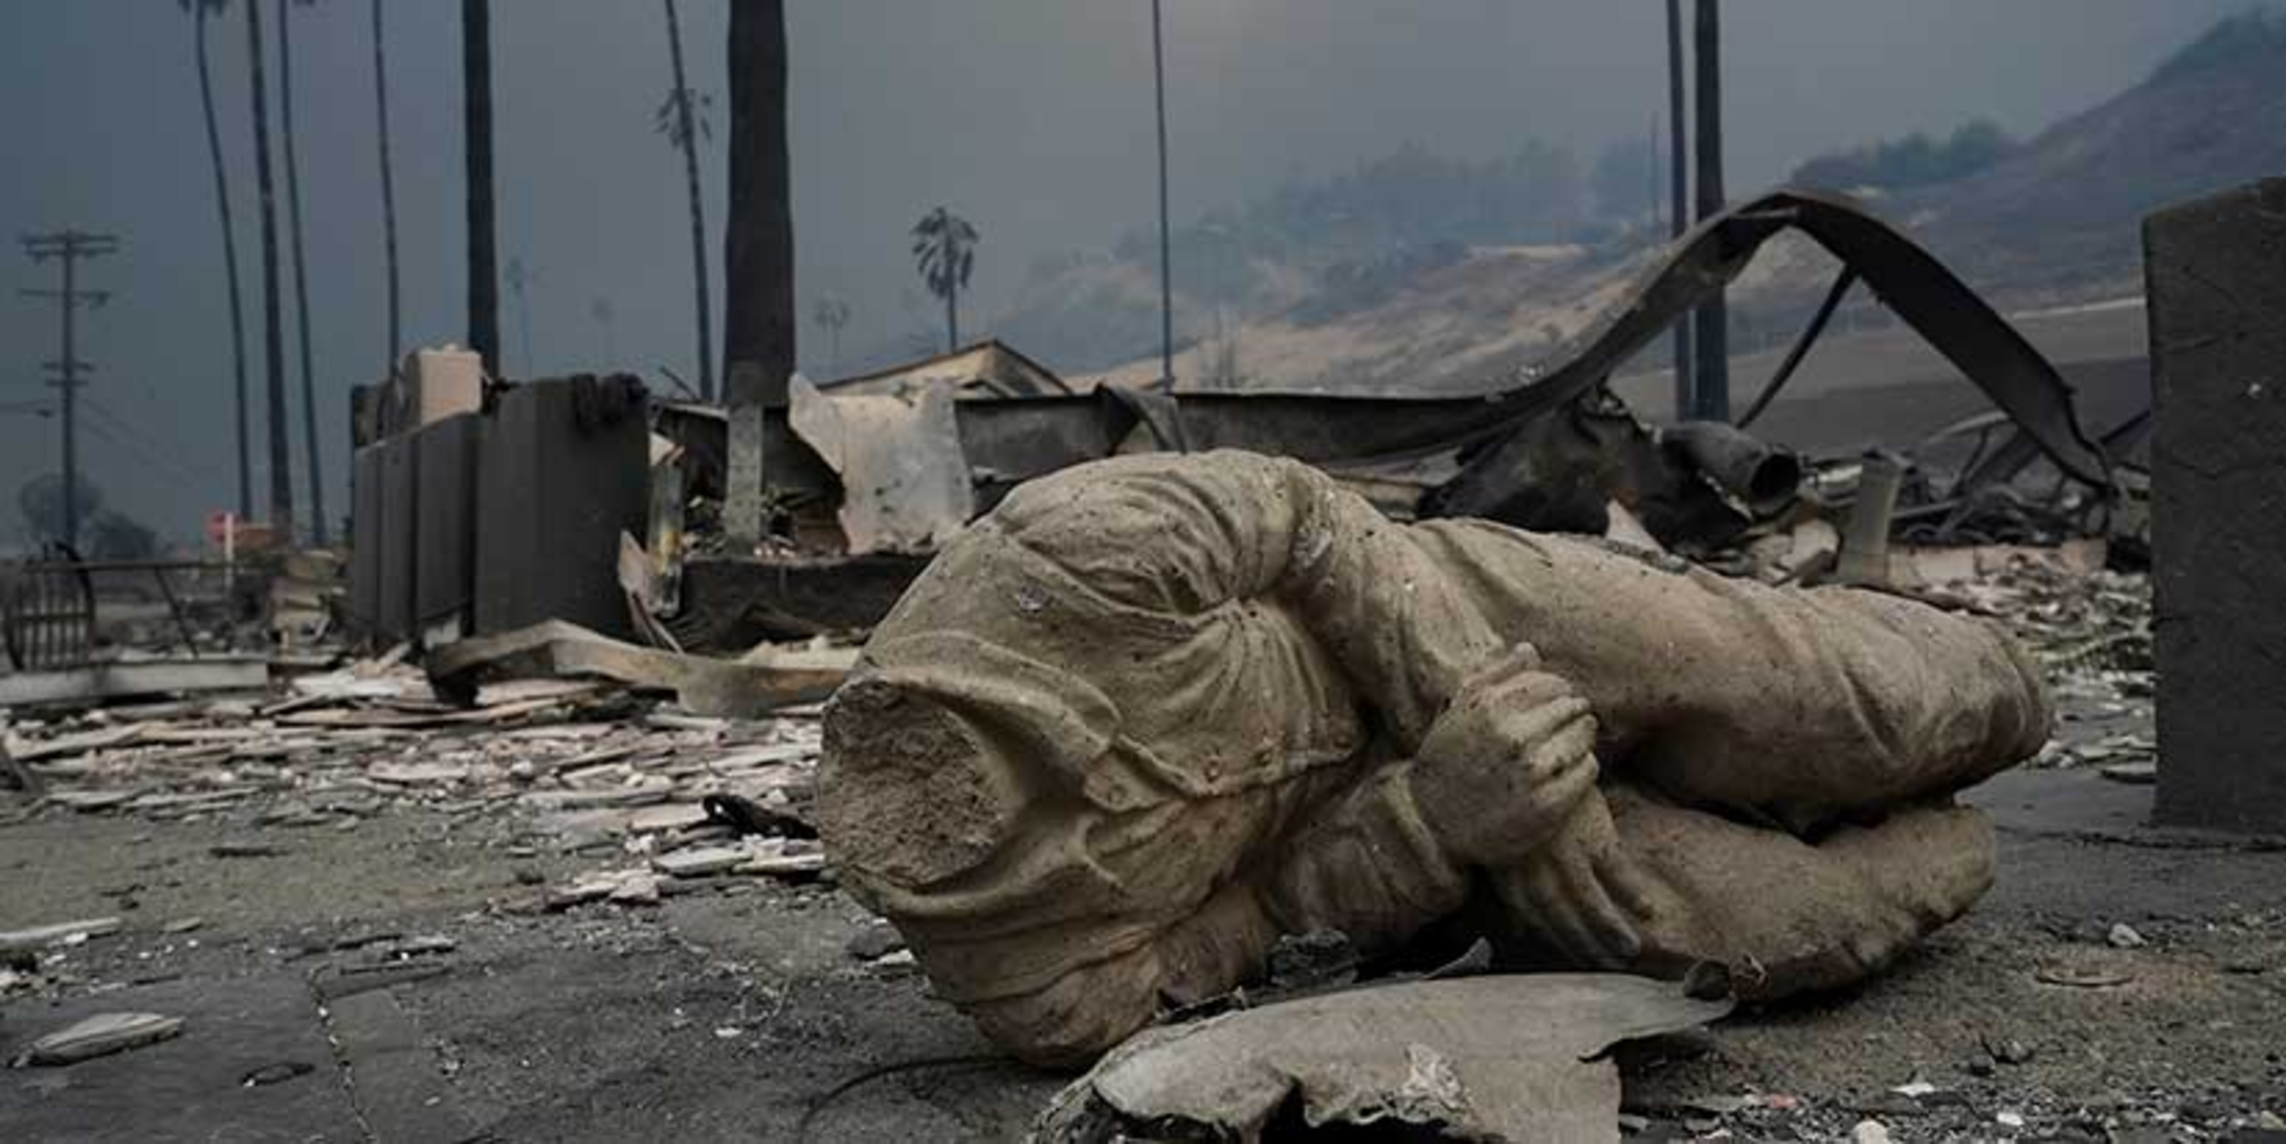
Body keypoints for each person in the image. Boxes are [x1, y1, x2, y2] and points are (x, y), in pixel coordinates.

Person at [816, 451, 2051, 1066]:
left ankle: (2012, 691)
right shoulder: (1030, 987)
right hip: (1417, 839)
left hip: (1441, 620)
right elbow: (1258, 923)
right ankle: (1962, 839)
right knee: (1773, 930)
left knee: (1848, 710)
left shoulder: (1061, 558)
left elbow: (1308, 522)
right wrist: (1439, 822)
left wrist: (1484, 717)